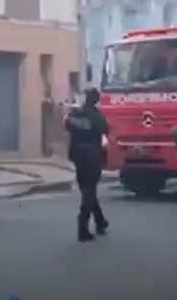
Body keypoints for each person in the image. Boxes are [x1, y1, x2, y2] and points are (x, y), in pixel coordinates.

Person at [66, 87, 109, 242]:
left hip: (78, 155)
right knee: (89, 191)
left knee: (87, 189)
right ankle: (83, 227)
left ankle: (100, 221)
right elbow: (106, 130)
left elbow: (68, 125)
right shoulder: (98, 117)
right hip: (93, 156)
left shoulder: (75, 114)